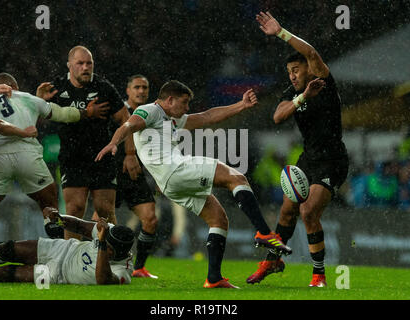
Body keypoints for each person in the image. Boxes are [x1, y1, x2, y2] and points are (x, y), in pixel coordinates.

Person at [96, 80, 292, 289]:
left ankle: (214, 278)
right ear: (169, 100)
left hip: (171, 183)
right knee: (237, 178)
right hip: (175, 170)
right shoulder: (151, 110)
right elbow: (129, 124)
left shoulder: (171, 119)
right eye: (185, 102)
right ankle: (263, 232)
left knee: (218, 219)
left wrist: (240, 105)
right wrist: (112, 143)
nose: (187, 108)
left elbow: (206, 117)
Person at [246, 12, 349, 287]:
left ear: (308, 69)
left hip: (333, 160)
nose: (292, 76)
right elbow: (278, 117)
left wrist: (281, 33)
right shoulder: (294, 94)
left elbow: (312, 52)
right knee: (287, 211)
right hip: (309, 158)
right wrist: (303, 97)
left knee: (308, 213)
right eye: (289, 72)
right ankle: (272, 261)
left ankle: (319, 275)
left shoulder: (323, 82)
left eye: (296, 70)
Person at [0, 73, 109, 240]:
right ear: (15, 87)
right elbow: (63, 114)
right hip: (28, 158)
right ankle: (55, 235)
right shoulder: (28, 98)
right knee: (50, 208)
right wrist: (87, 112)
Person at [37, 46, 140, 240]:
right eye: (80, 63)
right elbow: (37, 119)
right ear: (69, 66)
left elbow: (126, 119)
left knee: (105, 212)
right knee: (74, 210)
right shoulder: (57, 88)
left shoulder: (103, 88)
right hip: (73, 157)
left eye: (89, 63)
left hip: (101, 157)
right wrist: (38, 101)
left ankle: (112, 258)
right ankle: (70, 261)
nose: (86, 67)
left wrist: (130, 153)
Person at [92, 74, 158, 278]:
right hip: (112, 172)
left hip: (135, 175)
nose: (141, 91)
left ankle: (139, 268)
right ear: (127, 90)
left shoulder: (151, 114)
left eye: (144, 88)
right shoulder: (117, 110)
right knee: (99, 219)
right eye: (137, 87)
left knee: (150, 218)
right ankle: (92, 259)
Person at [0, 207, 134, 285]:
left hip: (56, 274)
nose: (105, 248)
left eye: (109, 248)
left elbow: (103, 279)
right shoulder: (109, 231)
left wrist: (101, 242)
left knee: (2, 274)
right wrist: (58, 219)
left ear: (119, 252)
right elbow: (79, 226)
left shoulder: (123, 272)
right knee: (6, 248)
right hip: (61, 249)